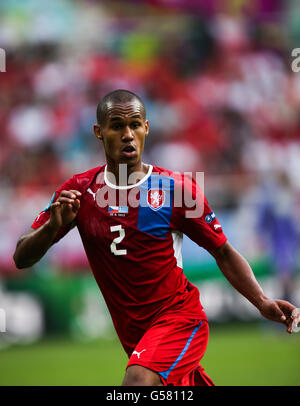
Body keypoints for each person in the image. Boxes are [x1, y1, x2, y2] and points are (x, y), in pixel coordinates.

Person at [13, 89, 297, 386]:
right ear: (99, 132)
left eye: (135, 124)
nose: (128, 134)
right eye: (117, 125)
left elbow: (223, 252)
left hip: (180, 319)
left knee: (136, 383)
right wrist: (50, 228)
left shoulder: (178, 190)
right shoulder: (80, 191)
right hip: (137, 336)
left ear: (146, 128)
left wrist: (262, 301)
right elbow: (21, 257)